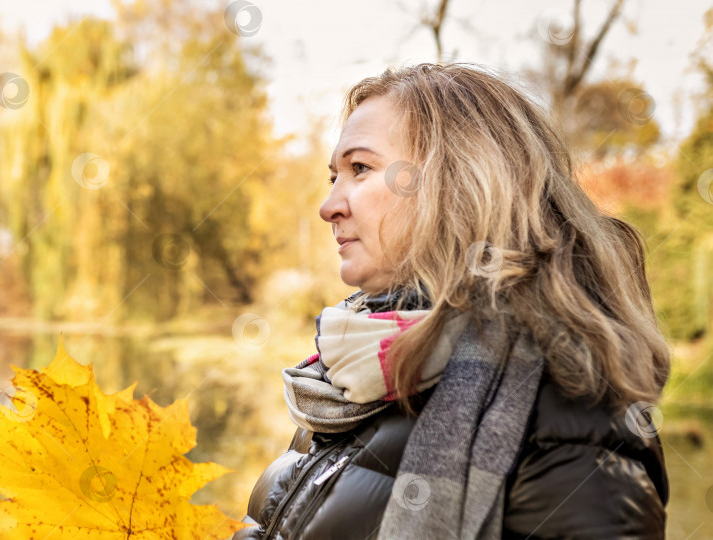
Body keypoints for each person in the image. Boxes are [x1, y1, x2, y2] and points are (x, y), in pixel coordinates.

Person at [233, 62, 670, 540]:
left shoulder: (570, 417)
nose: (329, 205)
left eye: (360, 168)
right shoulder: (345, 381)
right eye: (332, 176)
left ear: (459, 182)